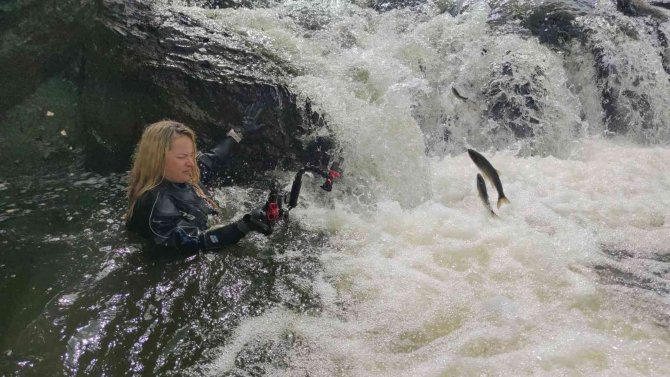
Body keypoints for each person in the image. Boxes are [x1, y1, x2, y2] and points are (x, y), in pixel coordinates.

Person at [125, 110, 271, 254]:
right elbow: (194, 242)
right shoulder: (154, 202)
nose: (191, 162)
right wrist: (244, 226)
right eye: (182, 157)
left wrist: (241, 131)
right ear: (156, 159)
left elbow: (213, 157)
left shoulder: (184, 175)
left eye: (192, 155)